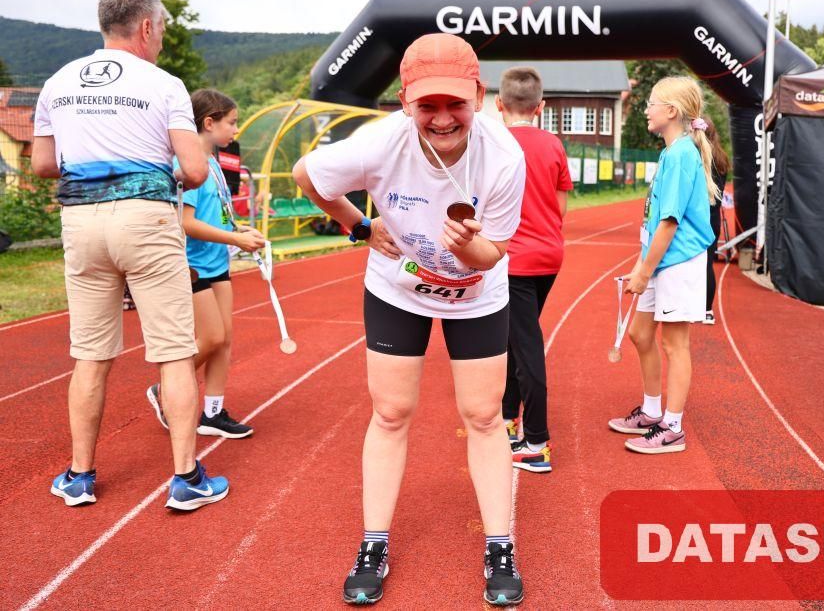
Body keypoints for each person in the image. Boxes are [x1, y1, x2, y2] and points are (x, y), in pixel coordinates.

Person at [292, 33, 527, 606]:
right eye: (427, 105)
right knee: (391, 411)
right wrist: (358, 225)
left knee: (484, 415)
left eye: (455, 103)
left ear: (479, 96)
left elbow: (493, 254)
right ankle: (373, 543)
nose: (442, 118)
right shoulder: (378, 144)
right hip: (399, 290)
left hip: (475, 293)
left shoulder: (504, 156)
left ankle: (500, 545)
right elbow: (306, 175)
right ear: (404, 102)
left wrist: (468, 247)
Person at [31, 0, 229, 510]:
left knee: (90, 356)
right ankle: (186, 479)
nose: (160, 38)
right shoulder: (164, 84)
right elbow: (194, 170)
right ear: (145, 27)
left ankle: (79, 475)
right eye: (160, 29)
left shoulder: (57, 82)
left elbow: (43, 165)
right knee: (174, 352)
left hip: (81, 223)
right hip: (145, 220)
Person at [146, 89, 265, 439]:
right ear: (209, 123)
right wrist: (234, 239)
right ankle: (164, 388)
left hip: (217, 262)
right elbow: (185, 222)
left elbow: (218, 213)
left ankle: (212, 413)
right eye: (232, 122)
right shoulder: (188, 164)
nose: (236, 130)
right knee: (211, 337)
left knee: (224, 339)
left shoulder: (213, 163)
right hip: (192, 264)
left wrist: (237, 229)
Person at [607, 76, 716, 454]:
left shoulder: (682, 154)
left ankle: (673, 427)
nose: (646, 110)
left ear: (671, 111)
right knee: (640, 334)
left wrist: (644, 271)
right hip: (660, 259)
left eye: (651, 103)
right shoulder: (671, 153)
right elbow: (654, 221)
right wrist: (642, 264)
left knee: (674, 343)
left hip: (679, 261)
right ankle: (652, 411)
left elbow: (669, 223)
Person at [495, 66, 573, 473]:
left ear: (498, 104)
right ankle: (508, 419)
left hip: (512, 261)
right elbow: (560, 208)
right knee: (515, 338)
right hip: (548, 257)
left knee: (525, 347)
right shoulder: (554, 144)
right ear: (540, 107)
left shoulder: (491, 143)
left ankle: (538, 443)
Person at [702, 117, 730, 325]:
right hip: (714, 219)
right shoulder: (722, 158)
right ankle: (707, 310)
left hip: (700, 217)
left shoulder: (700, 157)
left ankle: (695, 306)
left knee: (694, 264)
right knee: (707, 264)